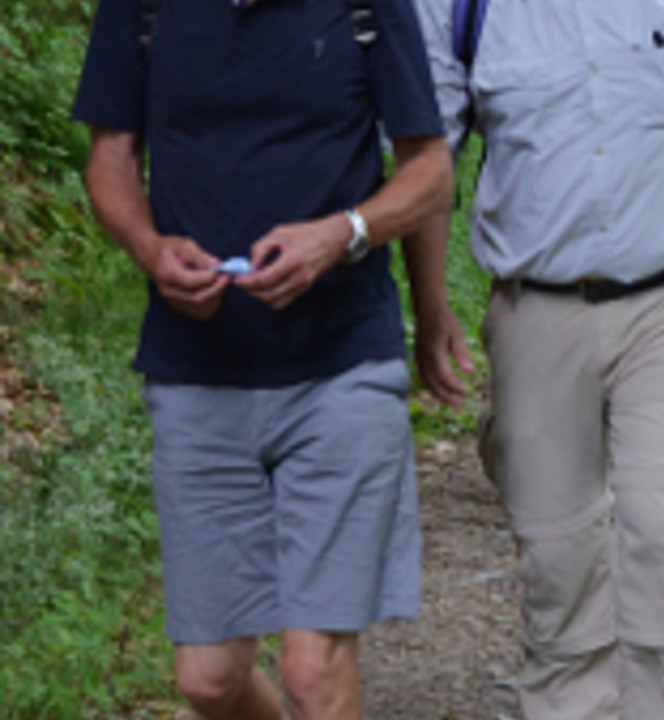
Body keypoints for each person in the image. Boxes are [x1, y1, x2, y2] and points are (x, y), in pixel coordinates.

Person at [71, 1, 453, 718]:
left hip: (343, 362)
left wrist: (345, 234)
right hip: (195, 370)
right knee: (209, 680)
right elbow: (109, 157)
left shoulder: (366, 8)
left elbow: (428, 169)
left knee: (313, 671)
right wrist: (150, 249)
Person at [408, 1, 664, 718]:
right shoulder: (461, 10)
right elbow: (428, 159)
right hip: (536, 314)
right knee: (561, 562)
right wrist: (431, 308)